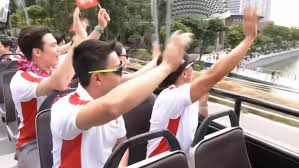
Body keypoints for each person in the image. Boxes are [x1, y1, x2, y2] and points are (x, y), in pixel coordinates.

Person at [50, 31, 193, 168]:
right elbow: (110, 108)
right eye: (118, 69)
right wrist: (166, 67)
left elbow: (121, 144)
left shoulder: (111, 102)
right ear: (97, 78)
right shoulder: (65, 107)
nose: (122, 73)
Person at [147, 6, 258, 157]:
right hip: (162, 162)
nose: (194, 69)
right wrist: (249, 38)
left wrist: (203, 105)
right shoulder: (170, 97)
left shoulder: (188, 96)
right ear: (185, 73)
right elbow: (213, 74)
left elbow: (198, 120)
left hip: (180, 160)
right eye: (192, 65)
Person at [10, 7, 108, 168]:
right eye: (54, 46)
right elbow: (60, 83)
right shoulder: (20, 80)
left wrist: (99, 27)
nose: (58, 50)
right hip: (34, 142)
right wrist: (78, 41)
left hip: (64, 131)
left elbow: (82, 51)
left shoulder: (56, 67)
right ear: (37, 52)